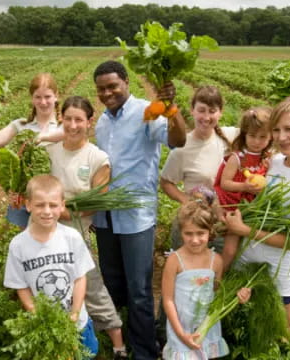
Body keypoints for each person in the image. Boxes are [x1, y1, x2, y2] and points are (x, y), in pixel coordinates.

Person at [92, 60, 187, 359]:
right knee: (113, 282)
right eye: (101, 89)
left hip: (136, 216)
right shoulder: (102, 122)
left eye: (112, 86)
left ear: (126, 83)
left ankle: (145, 351)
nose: (107, 93)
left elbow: (178, 140)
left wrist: (172, 110)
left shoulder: (149, 111)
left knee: (140, 288)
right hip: (105, 215)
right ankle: (119, 341)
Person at [224, 94, 290, 350]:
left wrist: (244, 230)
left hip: (279, 267)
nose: (281, 137)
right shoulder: (275, 162)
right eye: (276, 130)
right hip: (247, 259)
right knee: (248, 319)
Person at [46, 96, 127, 359]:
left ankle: (118, 344)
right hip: (45, 230)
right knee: (49, 284)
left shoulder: (97, 158)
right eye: (68, 118)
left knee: (91, 285)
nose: (72, 125)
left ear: (89, 122)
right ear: (61, 118)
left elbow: (97, 202)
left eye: (79, 119)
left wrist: (63, 211)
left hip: (78, 233)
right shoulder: (50, 150)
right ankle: (63, 338)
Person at [3, 175, 98, 357]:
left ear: (62, 206)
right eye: (40, 205)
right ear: (28, 205)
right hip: (44, 325)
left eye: (53, 205)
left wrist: (75, 313)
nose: (47, 211)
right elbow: (21, 286)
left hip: (77, 321)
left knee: (85, 354)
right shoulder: (18, 245)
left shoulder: (72, 237)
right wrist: (36, 312)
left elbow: (79, 278)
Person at [162, 191, 251, 360]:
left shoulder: (216, 261)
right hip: (181, 328)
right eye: (189, 233)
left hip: (206, 327)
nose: (195, 240)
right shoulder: (175, 260)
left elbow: (217, 294)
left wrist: (237, 296)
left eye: (200, 233)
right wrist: (181, 334)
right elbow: (168, 299)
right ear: (181, 232)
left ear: (210, 232)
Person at [0, 73, 64, 229]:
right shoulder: (21, 125)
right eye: (38, 97)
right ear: (32, 98)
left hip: (54, 202)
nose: (43, 102)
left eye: (48, 96)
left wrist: (43, 137)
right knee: (28, 247)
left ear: (56, 96)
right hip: (26, 200)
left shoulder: (64, 127)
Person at [160, 85, 239, 249]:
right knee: (190, 270)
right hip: (195, 222)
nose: (207, 117)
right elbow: (166, 182)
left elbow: (259, 134)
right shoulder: (182, 148)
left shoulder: (231, 136)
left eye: (212, 111)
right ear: (192, 111)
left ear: (220, 112)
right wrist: (186, 200)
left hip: (225, 223)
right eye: (201, 110)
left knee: (220, 270)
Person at [213, 107, 273, 270]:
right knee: (231, 250)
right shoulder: (237, 158)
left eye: (263, 137)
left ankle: (235, 276)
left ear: (270, 137)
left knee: (249, 250)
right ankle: (218, 279)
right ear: (244, 134)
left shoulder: (267, 159)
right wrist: (245, 186)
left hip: (253, 210)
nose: (257, 141)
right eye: (252, 136)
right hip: (235, 207)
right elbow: (225, 183)